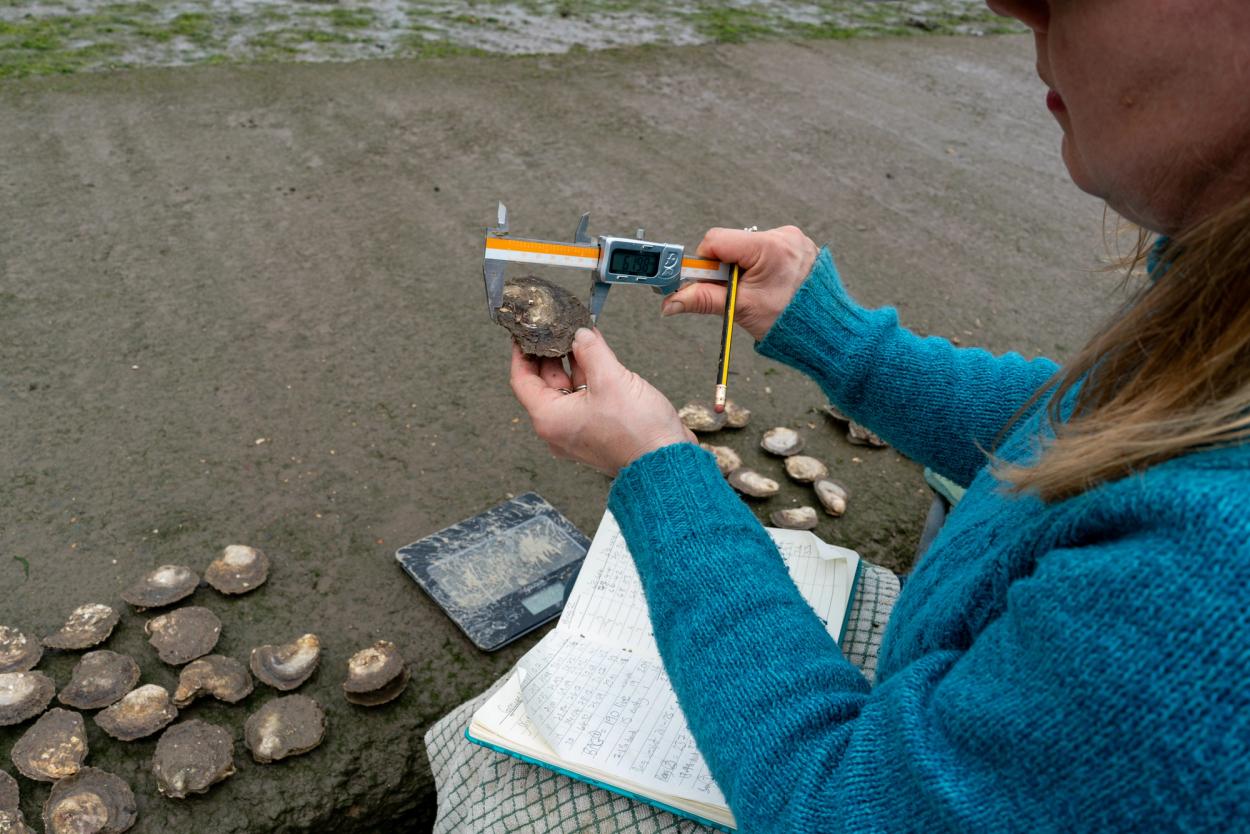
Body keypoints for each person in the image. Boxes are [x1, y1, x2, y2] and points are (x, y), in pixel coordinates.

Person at [427, 0, 1250, 830]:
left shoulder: (1211, 608)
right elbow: (1090, 424)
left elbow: (837, 807)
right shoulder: (1226, 300)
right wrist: (842, 339)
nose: (1010, 2)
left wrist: (656, 467)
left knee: (484, 773)